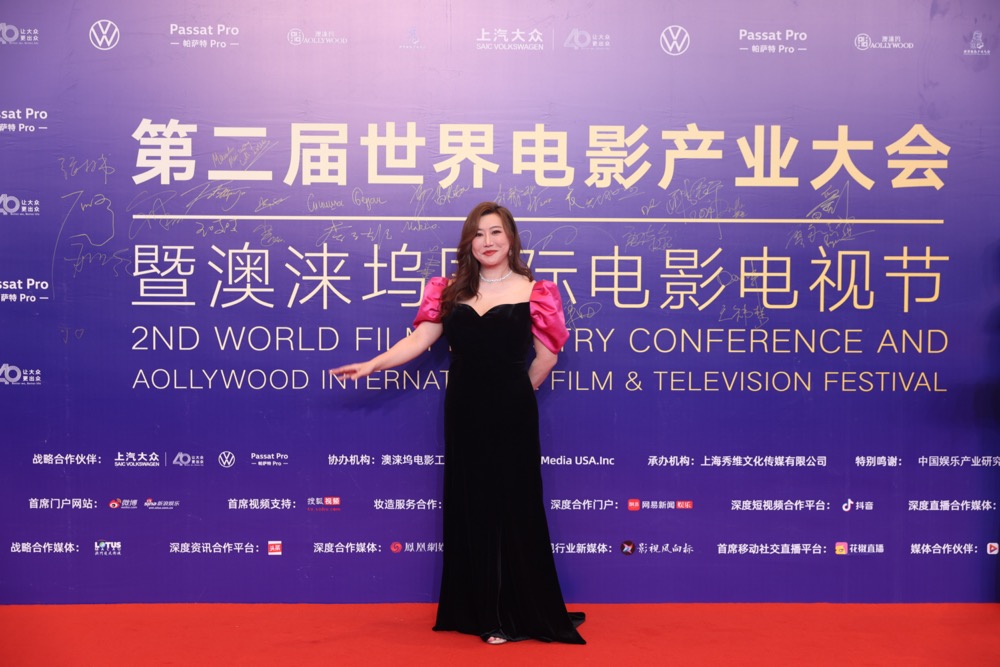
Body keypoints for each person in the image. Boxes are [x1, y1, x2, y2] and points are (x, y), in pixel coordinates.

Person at [330, 201, 586, 645]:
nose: (488, 241)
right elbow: (420, 339)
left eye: (496, 232)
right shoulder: (448, 291)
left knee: (516, 503)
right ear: (468, 242)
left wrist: (513, 393)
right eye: (478, 234)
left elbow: (547, 356)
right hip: (464, 410)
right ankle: (483, 613)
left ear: (511, 239)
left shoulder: (536, 291)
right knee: (473, 502)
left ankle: (521, 610)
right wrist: (374, 364)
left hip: (513, 412)